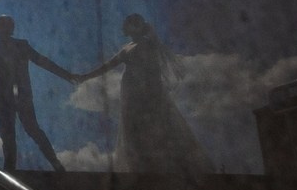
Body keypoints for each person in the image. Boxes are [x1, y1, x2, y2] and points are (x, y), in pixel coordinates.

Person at [73, 13, 214, 174]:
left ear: (136, 26)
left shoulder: (148, 44)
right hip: (131, 94)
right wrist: (85, 77)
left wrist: (151, 92)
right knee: (133, 130)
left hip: (146, 94)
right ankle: (139, 168)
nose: (124, 27)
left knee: (153, 129)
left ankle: (156, 167)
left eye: (128, 24)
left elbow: (154, 71)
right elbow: (107, 66)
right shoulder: (127, 48)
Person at [0, 15, 71, 171]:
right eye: (6, 24)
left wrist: (66, 75)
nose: (10, 27)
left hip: (22, 95)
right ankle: (10, 170)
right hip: (2, 97)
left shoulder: (22, 45)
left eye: (11, 24)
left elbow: (41, 61)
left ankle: (55, 162)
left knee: (33, 129)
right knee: (8, 136)